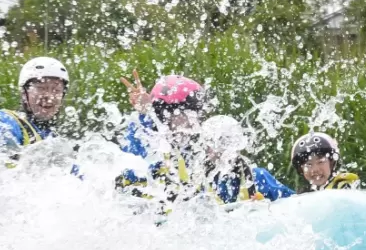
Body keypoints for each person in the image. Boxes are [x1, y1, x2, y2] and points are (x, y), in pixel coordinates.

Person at [116, 75, 294, 210]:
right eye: (186, 115)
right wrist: (146, 114)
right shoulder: (172, 160)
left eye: (196, 115)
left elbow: (297, 204)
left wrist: (268, 208)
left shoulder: (255, 177)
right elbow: (131, 162)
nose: (193, 122)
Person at [290, 131, 359, 192]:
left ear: (331, 163)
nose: (315, 169)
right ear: (301, 169)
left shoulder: (343, 186)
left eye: (320, 162)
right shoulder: (304, 193)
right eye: (308, 164)